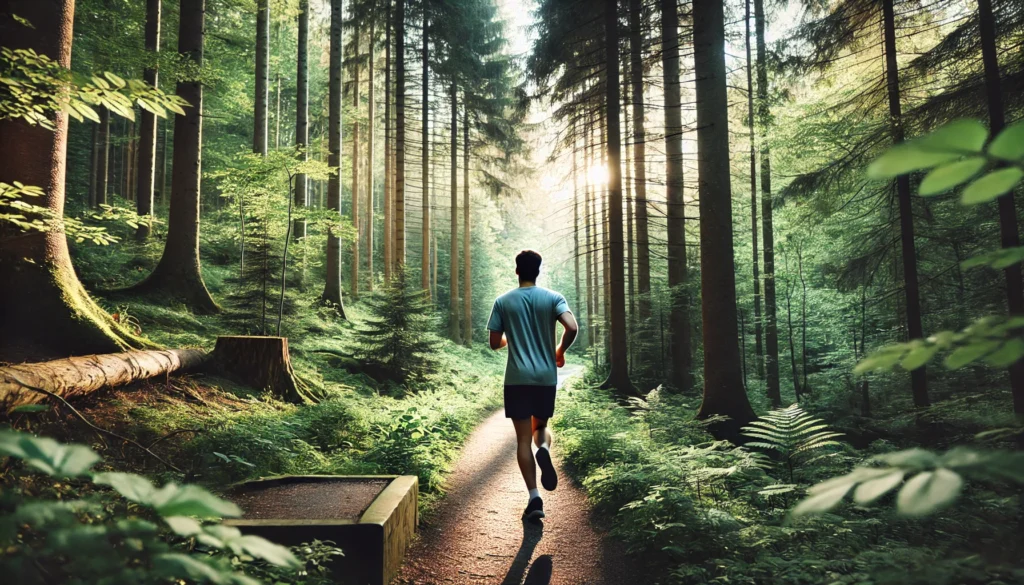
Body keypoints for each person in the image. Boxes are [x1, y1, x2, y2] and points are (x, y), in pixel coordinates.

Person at [487, 250, 579, 522]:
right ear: (537, 271)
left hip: (517, 380)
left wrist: (511, 340)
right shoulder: (553, 298)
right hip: (545, 379)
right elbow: (572, 327)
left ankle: (534, 497)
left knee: (522, 440)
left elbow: (494, 343)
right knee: (541, 428)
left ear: (517, 271)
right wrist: (559, 351)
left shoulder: (503, 301)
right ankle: (545, 450)